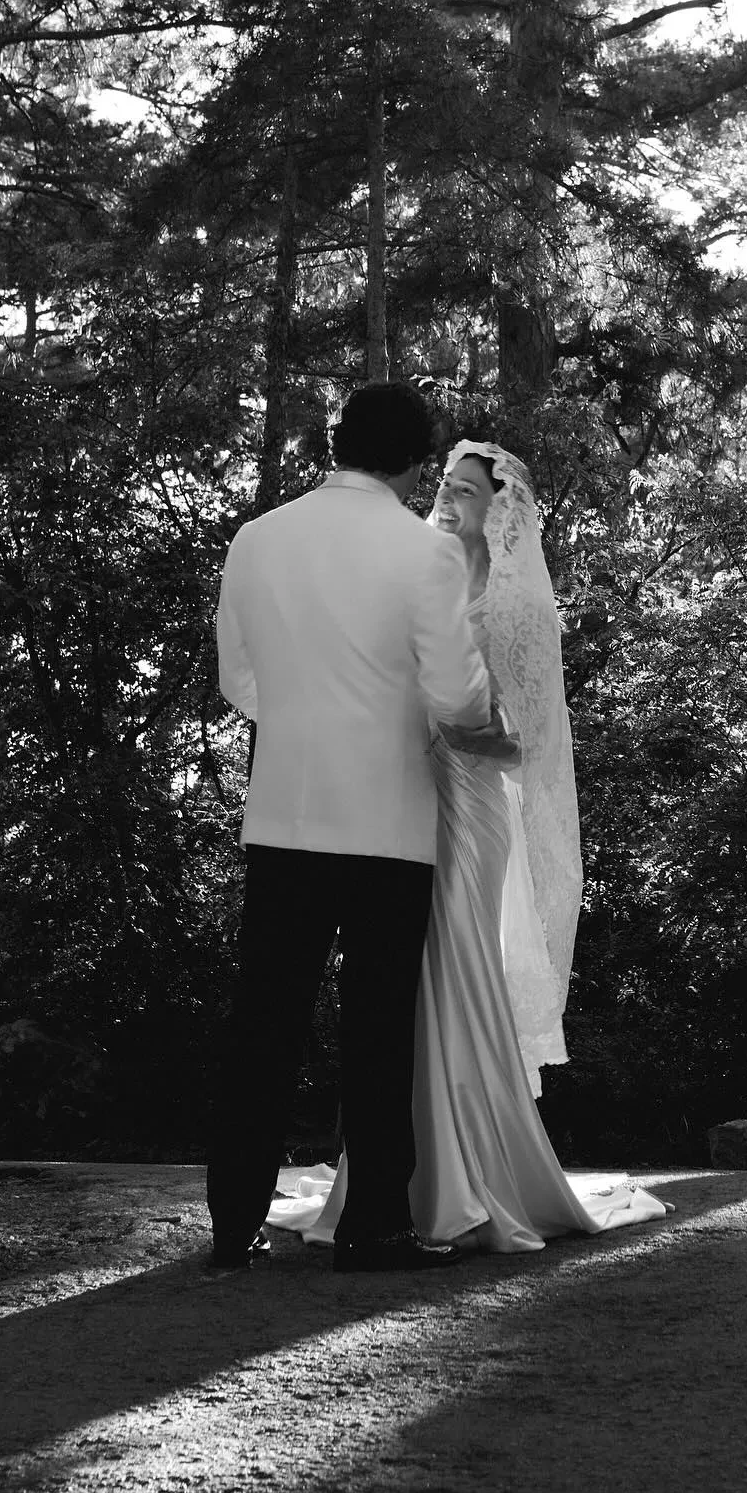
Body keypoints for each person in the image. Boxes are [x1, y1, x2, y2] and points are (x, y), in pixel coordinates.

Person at [267, 441, 669, 1253]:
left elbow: (532, 744)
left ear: (503, 508)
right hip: (400, 797)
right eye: (444, 486)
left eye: (467, 491)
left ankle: (471, 1172)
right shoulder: (424, 578)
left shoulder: (519, 609)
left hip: (471, 803)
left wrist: (464, 733)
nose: (449, 500)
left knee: (456, 968)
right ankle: (395, 1180)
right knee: (404, 983)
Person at [208, 384, 496, 1273]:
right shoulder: (426, 552)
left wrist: (302, 723)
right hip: (387, 822)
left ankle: (232, 1224)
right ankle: (375, 1228)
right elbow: (455, 695)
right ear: (414, 461)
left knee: (263, 1024)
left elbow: (236, 679)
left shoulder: (257, 539)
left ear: (337, 446)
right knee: (378, 1031)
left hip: (284, 816)